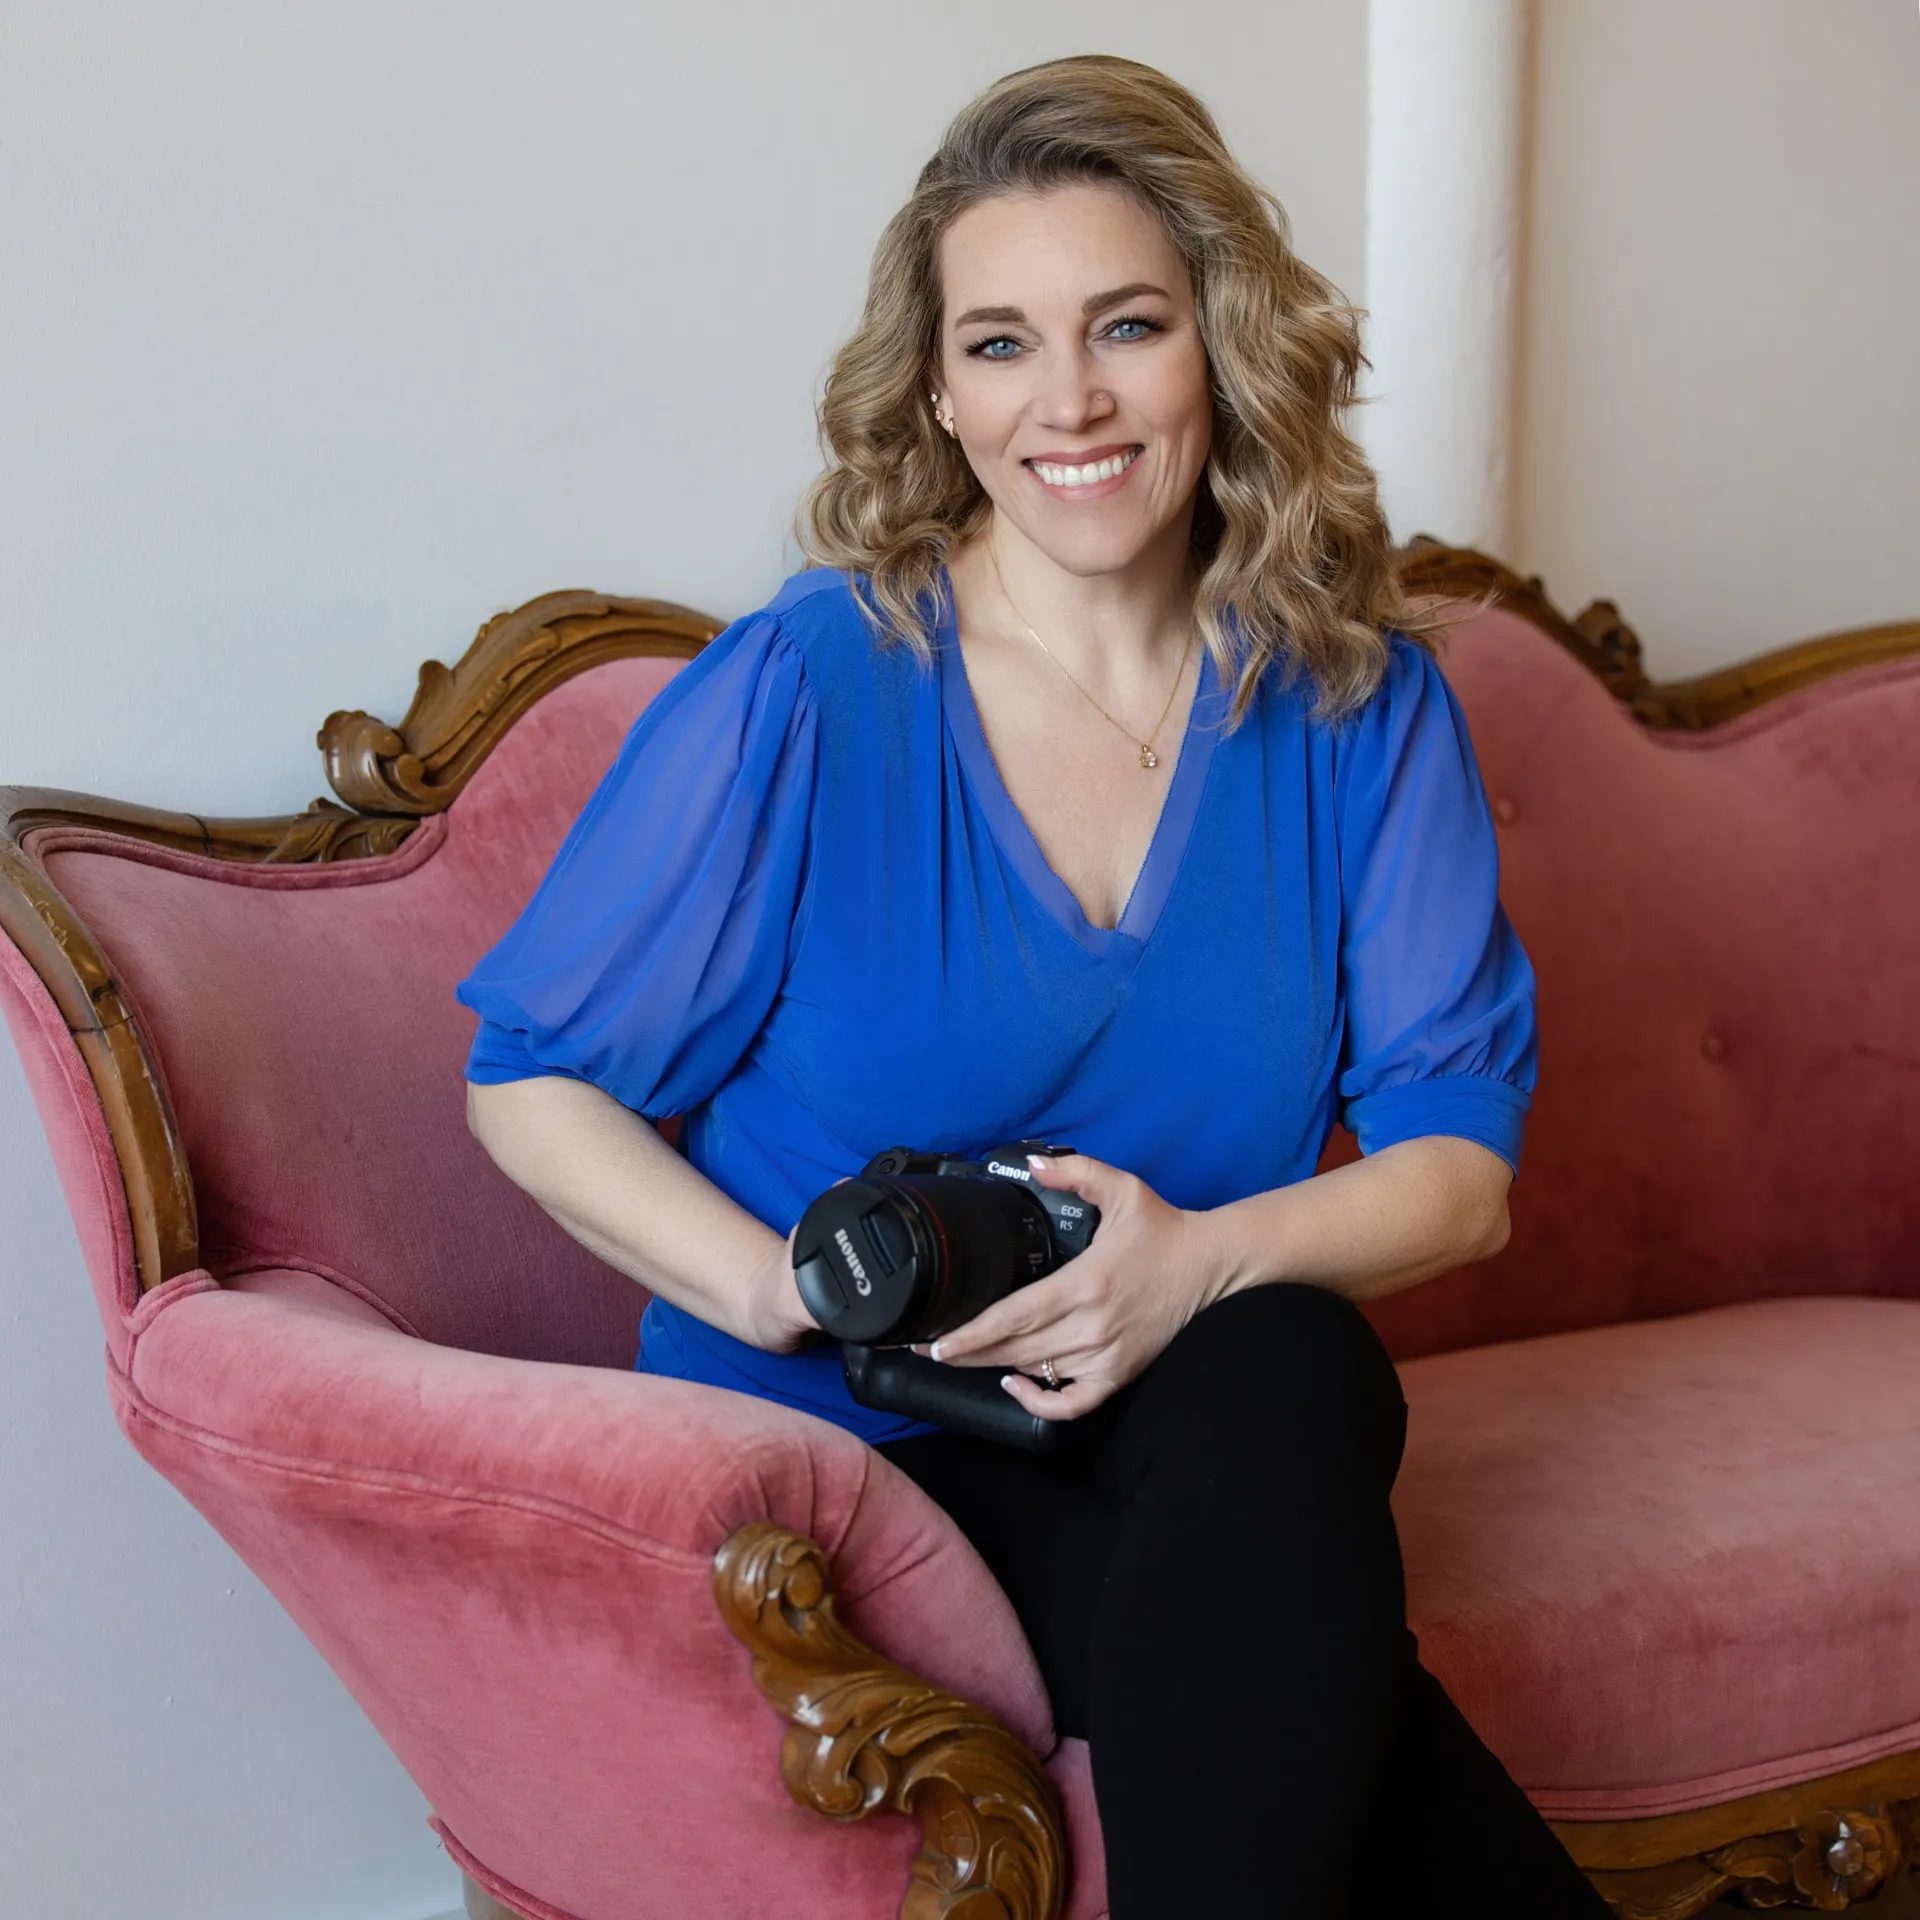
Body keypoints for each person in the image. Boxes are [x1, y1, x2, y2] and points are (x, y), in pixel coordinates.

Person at [458, 54, 1609, 1919]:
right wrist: (773, 1293)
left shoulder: (1354, 700)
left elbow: (1459, 1172)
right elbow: (527, 1075)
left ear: (1222, 348)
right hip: (854, 1446)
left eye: (1127, 328)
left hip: (1190, 1412)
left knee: (1279, 1364)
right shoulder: (819, 682)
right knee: (1321, 1645)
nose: (1066, 402)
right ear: (935, 388)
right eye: (998, 343)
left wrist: (1189, 1267)